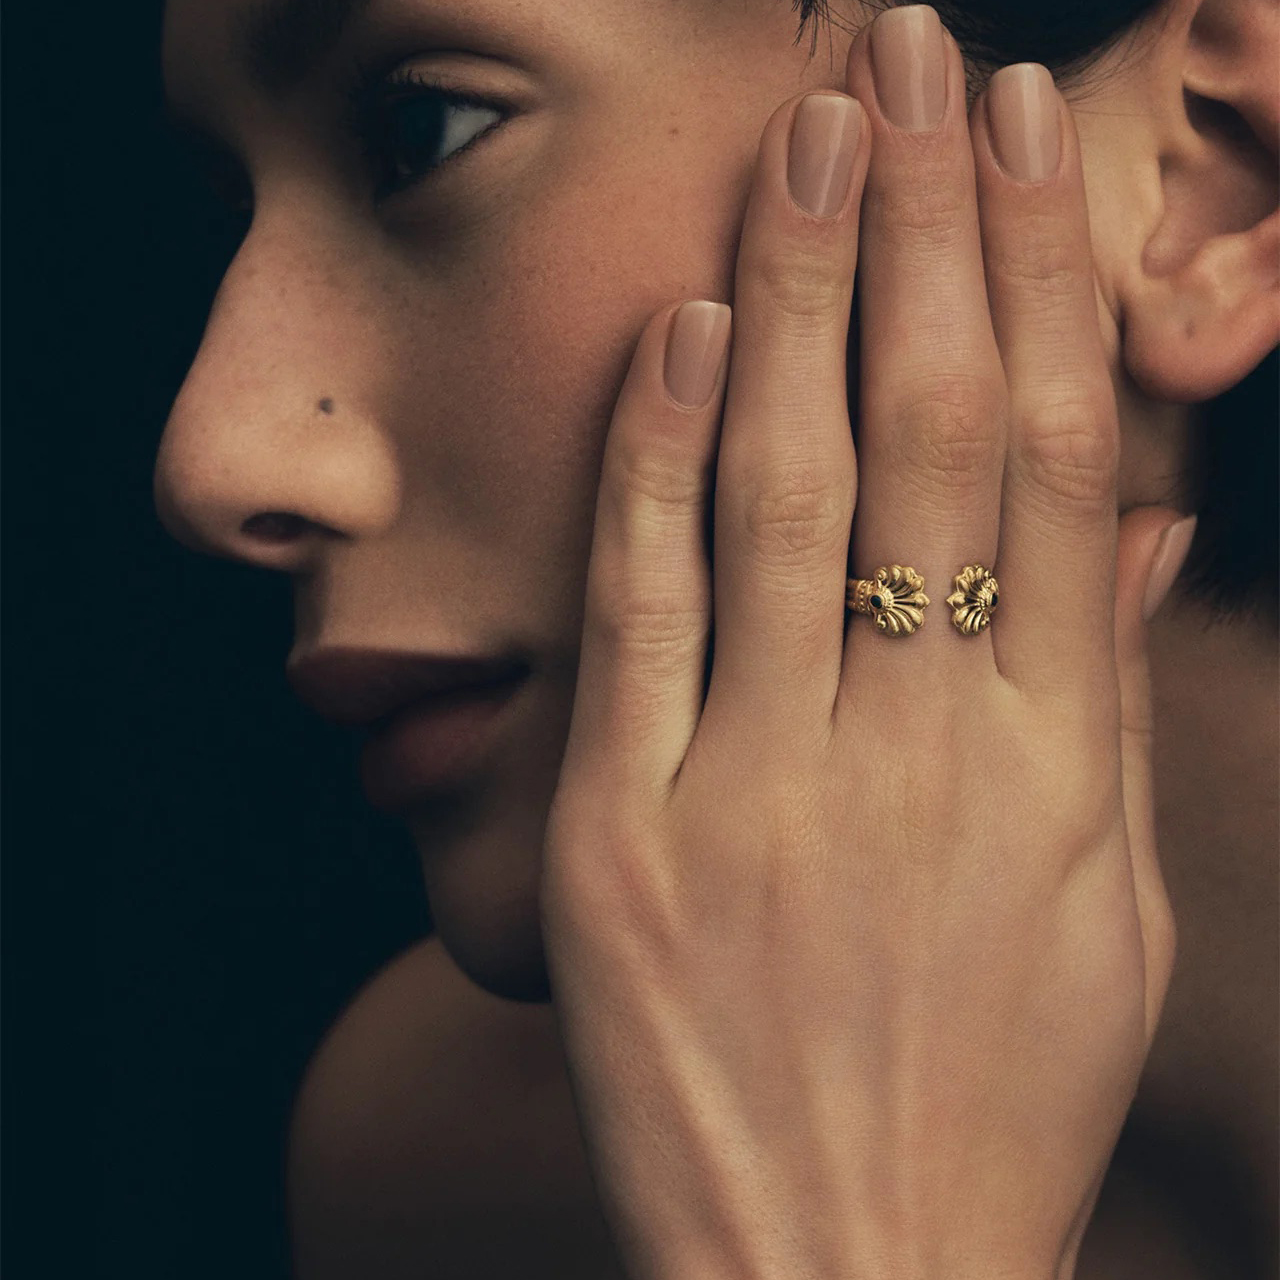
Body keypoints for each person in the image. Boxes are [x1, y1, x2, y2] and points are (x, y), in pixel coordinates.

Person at [154, 0, 1277, 1275]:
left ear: (1205, 175)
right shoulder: (441, 1182)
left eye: (423, 130)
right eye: (235, 210)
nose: (212, 456)